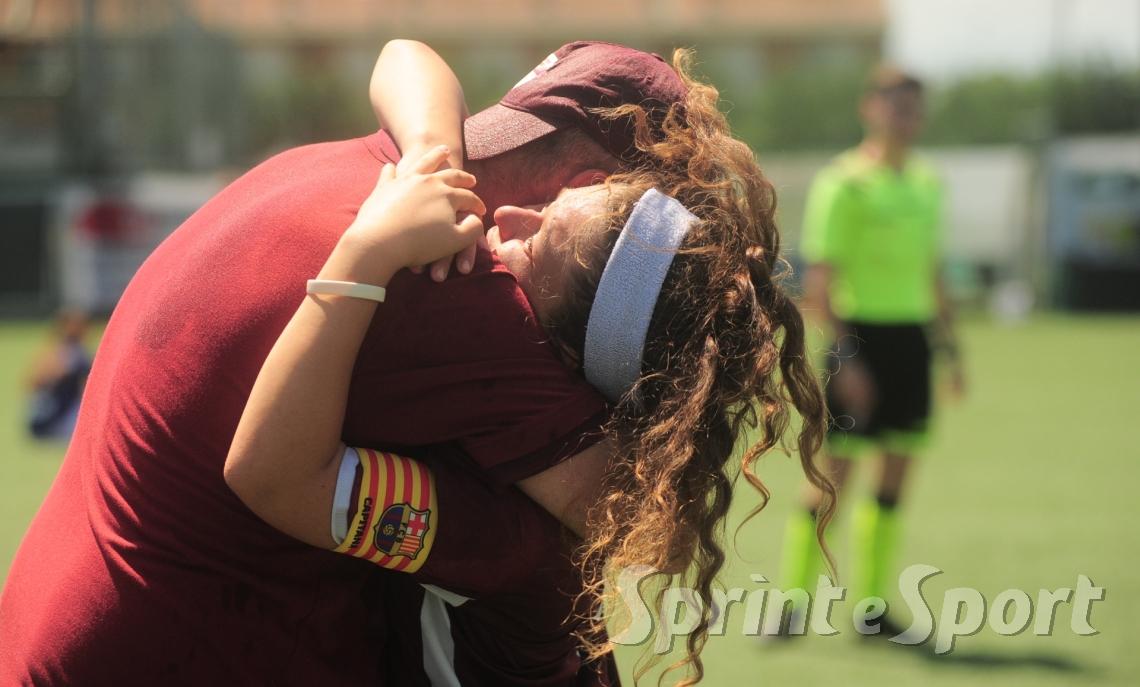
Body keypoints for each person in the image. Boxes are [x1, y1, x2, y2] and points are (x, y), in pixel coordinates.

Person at [0, 40, 692, 686]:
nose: (501, 229)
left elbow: (402, 51)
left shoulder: (377, 164)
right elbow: (626, 506)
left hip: (50, 632)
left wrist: (425, 151)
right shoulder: (460, 290)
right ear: (599, 186)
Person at [225, 49, 838, 685]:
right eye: (550, 203)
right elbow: (404, 53)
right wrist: (435, 164)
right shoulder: (543, 454)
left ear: (566, 355)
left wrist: (363, 255)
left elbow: (278, 477)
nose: (504, 218)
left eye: (535, 239)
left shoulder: (504, 538)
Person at [777, 65, 964, 637]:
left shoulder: (928, 183)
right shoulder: (844, 183)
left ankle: (873, 609)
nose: (905, 117)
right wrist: (847, 358)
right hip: (857, 340)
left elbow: (932, 273)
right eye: (895, 105)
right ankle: (791, 604)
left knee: (895, 477)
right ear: (871, 109)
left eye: (913, 107)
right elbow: (820, 285)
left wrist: (951, 351)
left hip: (911, 342)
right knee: (833, 478)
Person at [24, 310, 92, 441]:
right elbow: (32, 384)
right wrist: (57, 372)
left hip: (67, 414)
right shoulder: (56, 353)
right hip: (51, 416)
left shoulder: (81, 353)